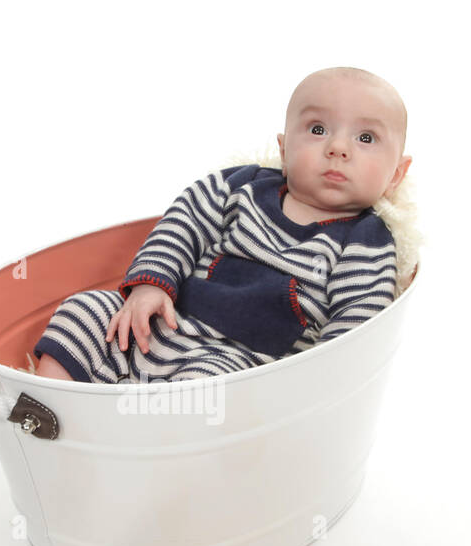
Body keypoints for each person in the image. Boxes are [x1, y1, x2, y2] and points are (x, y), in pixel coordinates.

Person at [32, 67, 415, 383]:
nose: (338, 147)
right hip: (162, 322)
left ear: (396, 174)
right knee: (84, 310)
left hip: (241, 363)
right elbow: (181, 227)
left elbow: (354, 333)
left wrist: (309, 388)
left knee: (211, 393)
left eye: (366, 137)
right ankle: (60, 407)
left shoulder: (365, 241)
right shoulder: (240, 186)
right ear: (283, 149)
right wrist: (149, 286)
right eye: (317, 129)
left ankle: (147, 440)